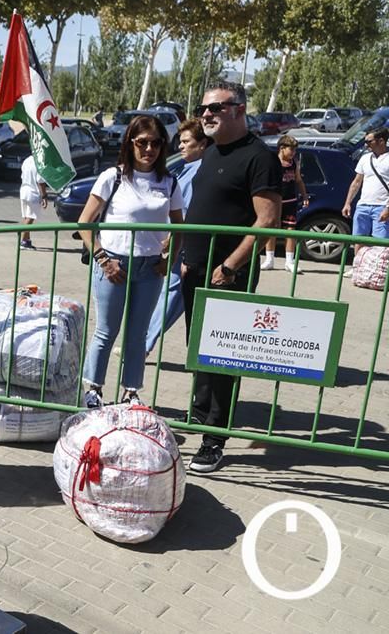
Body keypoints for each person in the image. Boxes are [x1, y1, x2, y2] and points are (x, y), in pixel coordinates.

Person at [181, 80, 281, 473]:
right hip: (197, 270)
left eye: (215, 108)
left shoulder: (258, 157)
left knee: (222, 357)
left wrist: (231, 266)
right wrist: (188, 256)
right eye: (203, 108)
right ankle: (199, 416)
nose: (206, 114)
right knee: (200, 351)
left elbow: (267, 221)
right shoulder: (211, 153)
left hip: (228, 276)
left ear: (238, 108)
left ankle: (214, 439)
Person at [79, 115, 185, 408]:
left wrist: (169, 257)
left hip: (150, 268)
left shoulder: (169, 182)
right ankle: (94, 389)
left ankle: (130, 391)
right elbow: (84, 222)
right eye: (142, 143)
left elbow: (179, 226)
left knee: (137, 335)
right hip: (113, 265)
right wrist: (102, 258)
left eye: (155, 143)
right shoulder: (112, 177)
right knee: (106, 331)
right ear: (130, 143)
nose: (148, 149)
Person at [145, 118, 210, 354]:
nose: (181, 146)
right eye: (180, 141)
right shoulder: (184, 167)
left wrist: (172, 239)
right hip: (176, 241)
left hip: (181, 242)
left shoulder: (198, 171)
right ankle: (145, 341)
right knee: (172, 293)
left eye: (186, 141)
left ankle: (144, 343)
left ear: (202, 144)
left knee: (172, 293)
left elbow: (185, 211)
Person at [259, 135, 311, 273]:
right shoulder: (273, 162)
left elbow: (299, 180)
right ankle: (269, 259)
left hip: (290, 201)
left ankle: (289, 261)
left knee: (290, 230)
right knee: (271, 230)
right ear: (282, 148)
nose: (293, 153)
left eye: (295, 151)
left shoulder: (294, 163)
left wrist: (304, 195)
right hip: (275, 201)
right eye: (291, 150)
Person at [342, 128, 389, 258]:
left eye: (369, 141)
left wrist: (387, 208)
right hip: (363, 205)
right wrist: (347, 203)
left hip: (382, 206)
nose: (365, 144)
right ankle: (358, 267)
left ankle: (378, 270)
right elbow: (356, 182)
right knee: (359, 239)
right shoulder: (365, 158)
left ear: (381, 141)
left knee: (380, 242)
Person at [18, 153, 48, 250]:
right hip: (33, 193)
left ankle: (27, 241)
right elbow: (41, 181)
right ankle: (22, 241)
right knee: (30, 218)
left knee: (27, 216)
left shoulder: (27, 160)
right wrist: (44, 196)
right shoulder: (40, 162)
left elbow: (22, 175)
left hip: (24, 190)